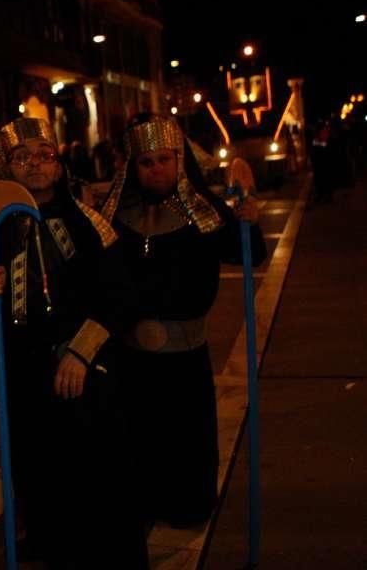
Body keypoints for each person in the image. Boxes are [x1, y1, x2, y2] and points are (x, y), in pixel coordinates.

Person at [0, 117, 148, 568]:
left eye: (44, 155)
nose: (36, 165)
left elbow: (120, 299)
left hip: (88, 375)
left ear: (60, 164)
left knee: (99, 482)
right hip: (26, 380)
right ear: (5, 168)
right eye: (22, 157)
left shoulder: (89, 223)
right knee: (39, 479)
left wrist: (81, 352)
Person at [101, 112, 266, 528]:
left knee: (185, 439)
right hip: (132, 356)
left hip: (184, 354)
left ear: (179, 160)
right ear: (133, 166)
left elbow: (248, 254)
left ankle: (188, 506)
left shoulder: (204, 211)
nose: (156, 168)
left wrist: (249, 222)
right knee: (139, 436)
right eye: (146, 161)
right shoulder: (118, 215)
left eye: (164, 159)